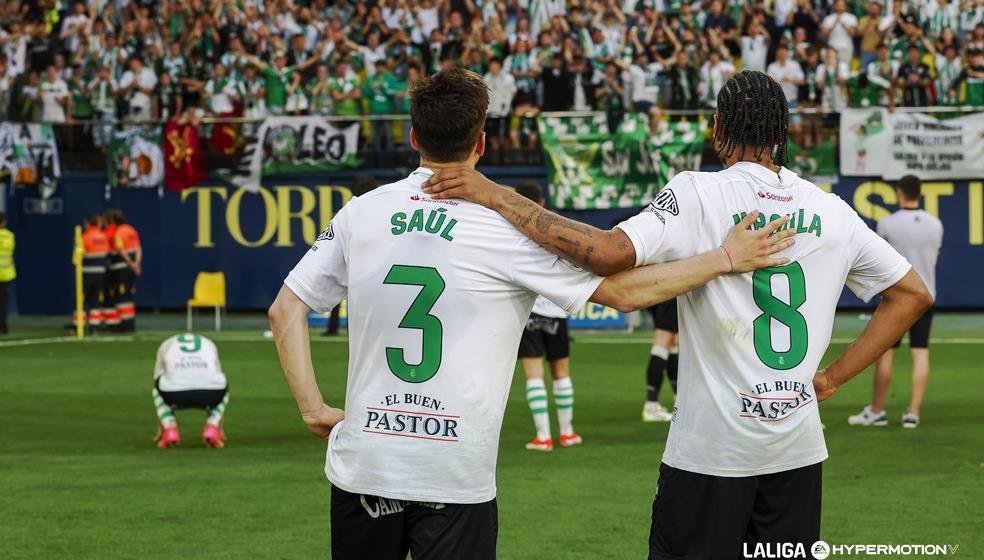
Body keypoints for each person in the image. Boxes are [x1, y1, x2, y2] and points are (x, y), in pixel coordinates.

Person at [268, 68, 794, 560]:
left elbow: (285, 309)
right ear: (481, 142)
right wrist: (725, 258)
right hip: (453, 473)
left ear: (412, 137)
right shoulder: (504, 228)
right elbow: (624, 293)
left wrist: (313, 409)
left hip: (365, 466)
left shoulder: (362, 211)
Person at [422, 70, 934, 559]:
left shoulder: (698, 193)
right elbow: (912, 294)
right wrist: (832, 378)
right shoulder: (831, 210)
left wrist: (495, 194)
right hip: (796, 456)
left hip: (710, 455)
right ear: (783, 135)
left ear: (717, 129)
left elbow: (606, 253)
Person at [849, 175, 943, 429]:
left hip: (898, 299)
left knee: (885, 352)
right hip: (926, 296)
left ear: (900, 193)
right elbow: (935, 256)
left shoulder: (887, 224)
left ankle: (877, 410)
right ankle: (912, 413)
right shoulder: (935, 224)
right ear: (919, 193)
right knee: (920, 352)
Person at [514, 181, 582, 451]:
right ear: (541, 202)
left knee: (533, 375)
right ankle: (567, 432)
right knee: (561, 372)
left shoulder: (512, 231)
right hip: (555, 310)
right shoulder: (555, 229)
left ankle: (543, 436)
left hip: (529, 312)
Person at [152, 333, 229, 449]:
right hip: (211, 392)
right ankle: (212, 427)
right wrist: (219, 428)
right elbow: (217, 373)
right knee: (222, 383)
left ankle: (169, 428)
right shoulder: (208, 342)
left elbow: (156, 378)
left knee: (158, 387)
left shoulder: (167, 344)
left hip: (175, 394)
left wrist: (161, 426)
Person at [76, 214, 109, 332]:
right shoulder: (103, 236)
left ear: (88, 223)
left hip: (86, 272)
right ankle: (95, 325)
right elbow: (106, 252)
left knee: (82, 298)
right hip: (100, 272)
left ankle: (79, 324)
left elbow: (77, 256)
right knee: (96, 298)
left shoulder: (84, 237)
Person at [111, 210, 142, 332]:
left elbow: (121, 250)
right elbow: (138, 248)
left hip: (122, 269)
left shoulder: (118, 233)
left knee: (122, 296)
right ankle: (130, 323)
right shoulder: (131, 230)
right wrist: (136, 265)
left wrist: (130, 263)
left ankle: (124, 325)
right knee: (129, 296)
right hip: (132, 270)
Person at [0, 211, 13, 335]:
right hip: (6, 274)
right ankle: (3, 327)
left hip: (5, 275)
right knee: (3, 303)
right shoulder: (9, 236)